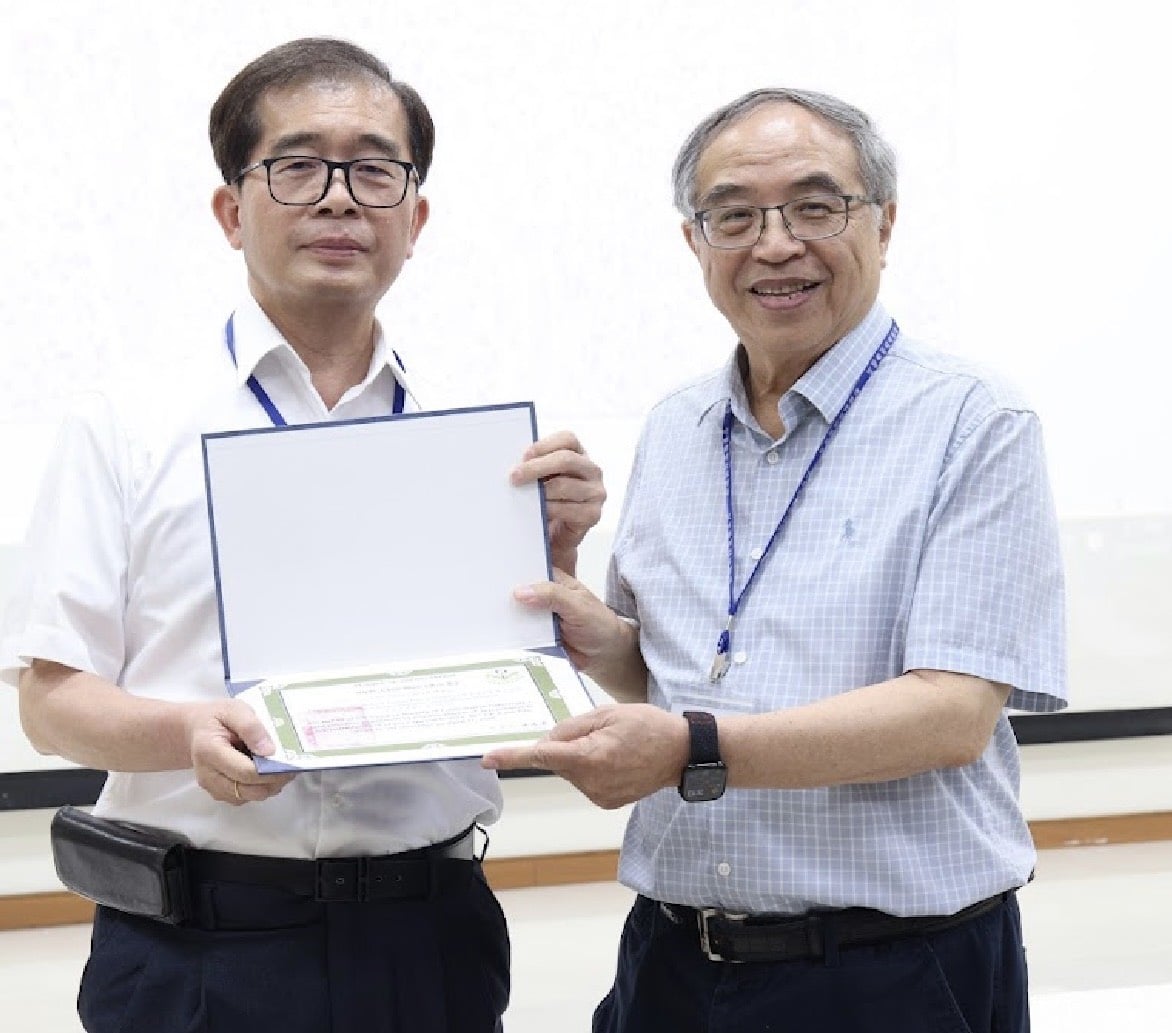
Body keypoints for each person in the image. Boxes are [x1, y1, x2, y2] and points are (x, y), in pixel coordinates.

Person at [0, 37, 604, 1033]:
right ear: (231, 211)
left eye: (373, 170)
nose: (337, 200)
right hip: (195, 944)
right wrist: (185, 734)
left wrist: (557, 571)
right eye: (297, 166)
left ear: (414, 218)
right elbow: (52, 701)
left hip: (429, 931)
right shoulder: (125, 425)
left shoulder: (483, 438)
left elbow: (516, 670)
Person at [484, 87, 1065, 1033]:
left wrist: (693, 751)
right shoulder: (676, 427)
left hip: (893, 972)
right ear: (695, 242)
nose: (775, 243)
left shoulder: (975, 421)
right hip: (672, 958)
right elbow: (676, 674)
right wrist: (599, 637)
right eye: (735, 215)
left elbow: (953, 712)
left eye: (814, 206)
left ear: (884, 223)